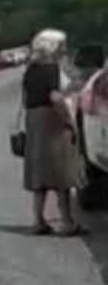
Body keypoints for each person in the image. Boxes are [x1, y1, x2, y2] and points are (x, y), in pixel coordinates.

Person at [21, 29, 86, 236]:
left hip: (34, 121)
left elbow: (28, 97)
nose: (64, 49)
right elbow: (56, 98)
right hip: (52, 122)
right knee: (62, 173)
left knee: (40, 173)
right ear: (52, 48)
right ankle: (67, 222)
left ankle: (38, 220)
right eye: (62, 45)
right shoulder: (52, 69)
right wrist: (69, 122)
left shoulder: (30, 70)